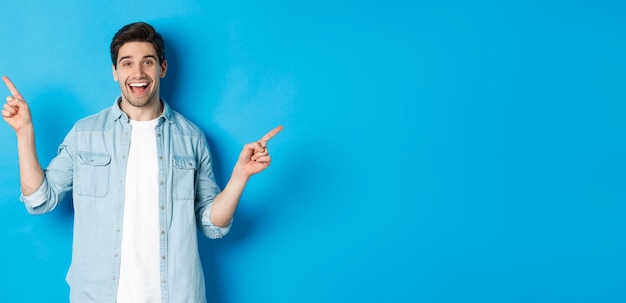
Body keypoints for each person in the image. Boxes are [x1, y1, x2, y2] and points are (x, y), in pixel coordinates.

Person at [2, 22, 282, 303]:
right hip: (97, 295)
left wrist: (240, 175)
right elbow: (40, 199)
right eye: (127, 63)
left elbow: (212, 225)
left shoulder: (191, 138)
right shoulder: (85, 134)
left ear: (162, 68)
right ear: (115, 72)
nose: (137, 73)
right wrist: (24, 132)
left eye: (147, 62)